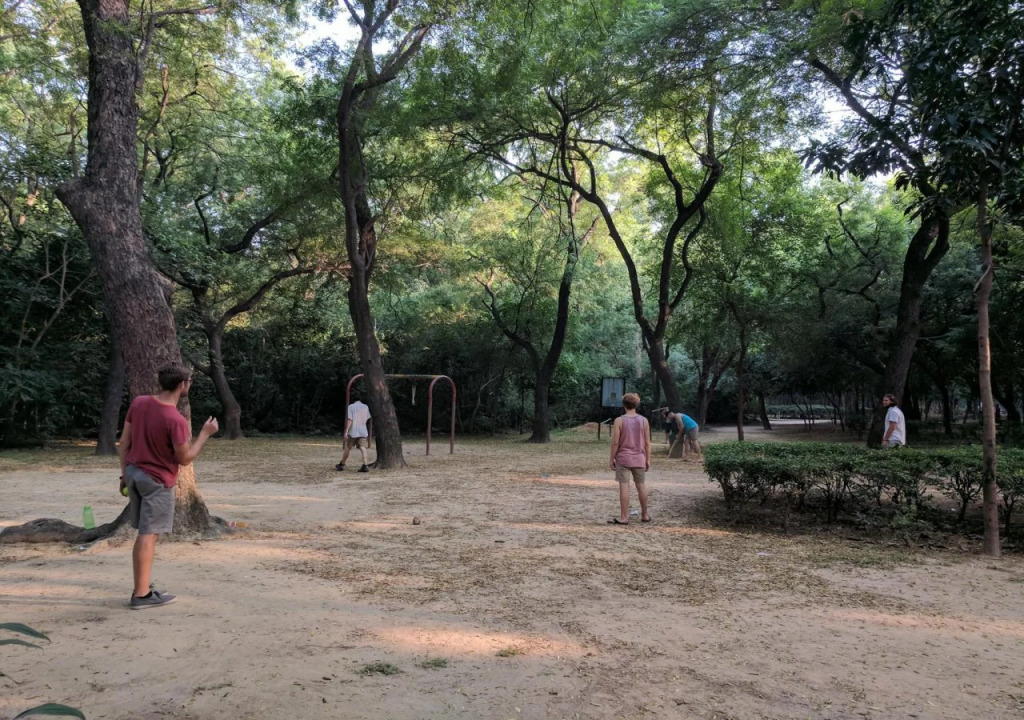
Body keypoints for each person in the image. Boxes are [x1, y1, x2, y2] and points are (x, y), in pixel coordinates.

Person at [118, 365, 218, 609]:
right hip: (156, 481)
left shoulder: (139, 403)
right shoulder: (175, 420)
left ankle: (143, 587)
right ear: (183, 384)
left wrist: (124, 476)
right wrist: (205, 434)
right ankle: (141, 595)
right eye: (190, 382)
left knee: (146, 533)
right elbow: (184, 458)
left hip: (134, 473)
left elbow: (125, 443)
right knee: (148, 534)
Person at [608, 392, 652, 525]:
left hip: (623, 458)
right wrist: (648, 459)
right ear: (636, 404)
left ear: (624, 405)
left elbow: (615, 442)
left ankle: (624, 517)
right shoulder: (644, 421)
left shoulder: (619, 420)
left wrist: (611, 458)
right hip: (639, 457)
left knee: (624, 486)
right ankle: (645, 515)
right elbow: (647, 443)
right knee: (641, 485)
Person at [337, 391, 372, 472]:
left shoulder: (351, 407)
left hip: (353, 431)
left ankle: (342, 464)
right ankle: (365, 465)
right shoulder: (365, 407)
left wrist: (346, 431)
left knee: (348, 447)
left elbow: (350, 419)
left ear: (353, 399)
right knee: (363, 447)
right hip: (363, 430)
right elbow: (367, 418)